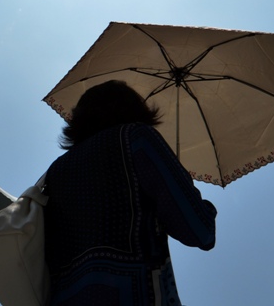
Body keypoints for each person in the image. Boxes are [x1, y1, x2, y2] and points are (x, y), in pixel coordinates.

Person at [44, 80, 217, 306]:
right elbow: (199, 230)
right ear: (134, 109)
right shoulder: (136, 138)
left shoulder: (56, 171)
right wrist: (200, 202)